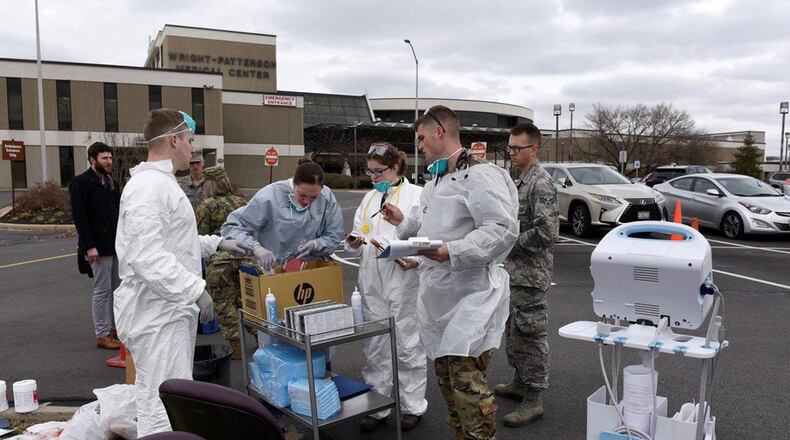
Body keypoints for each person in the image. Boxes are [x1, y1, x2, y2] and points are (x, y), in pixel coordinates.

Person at [381, 106, 519, 440]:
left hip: (471, 296)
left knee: (467, 385)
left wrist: (452, 251)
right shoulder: (437, 180)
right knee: (447, 380)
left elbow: (502, 229)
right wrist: (406, 225)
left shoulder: (479, 175)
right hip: (441, 296)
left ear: (440, 131)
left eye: (422, 137)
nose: (420, 145)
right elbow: (435, 224)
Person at [114, 109, 248, 437]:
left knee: (156, 395)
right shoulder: (149, 187)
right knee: (164, 400)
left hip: (165, 312)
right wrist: (194, 290)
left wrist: (219, 243)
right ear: (173, 139)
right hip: (158, 315)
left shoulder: (161, 183)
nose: (192, 148)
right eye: (189, 140)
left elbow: (176, 243)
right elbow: (147, 257)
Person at [344, 142, 427, 433]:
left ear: (395, 168)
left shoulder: (417, 196)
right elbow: (359, 235)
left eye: (379, 172)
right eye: (370, 172)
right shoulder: (368, 199)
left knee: (407, 343)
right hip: (372, 280)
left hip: (404, 280)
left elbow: (430, 238)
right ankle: (377, 405)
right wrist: (353, 242)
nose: (373, 177)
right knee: (374, 344)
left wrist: (416, 261)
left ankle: (411, 405)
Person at [495, 122, 559, 428]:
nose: (511, 153)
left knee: (531, 334)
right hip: (516, 273)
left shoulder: (540, 183)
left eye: (517, 148)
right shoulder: (521, 180)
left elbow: (547, 232)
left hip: (530, 274)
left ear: (534, 149)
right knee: (515, 330)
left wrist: (512, 244)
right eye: (510, 147)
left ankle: (534, 398)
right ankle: (520, 381)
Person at [221, 160, 344, 271]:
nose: (307, 201)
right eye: (302, 195)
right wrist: (255, 247)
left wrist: (316, 244)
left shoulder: (326, 197)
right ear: (293, 184)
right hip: (275, 270)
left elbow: (334, 234)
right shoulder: (269, 197)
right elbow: (233, 227)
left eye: (314, 197)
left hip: (312, 269)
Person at [69, 141, 122, 350]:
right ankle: (102, 334)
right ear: (92, 160)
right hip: (97, 247)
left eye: (110, 158)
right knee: (102, 290)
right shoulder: (80, 183)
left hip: (115, 245)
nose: (109, 162)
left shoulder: (111, 182)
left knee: (117, 288)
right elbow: (80, 217)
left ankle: (115, 329)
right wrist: (89, 246)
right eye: (104, 158)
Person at [195, 166, 249, 359]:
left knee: (225, 306)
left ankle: (237, 350)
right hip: (244, 256)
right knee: (249, 301)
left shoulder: (206, 206)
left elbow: (200, 237)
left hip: (219, 263)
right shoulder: (241, 202)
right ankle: (262, 342)